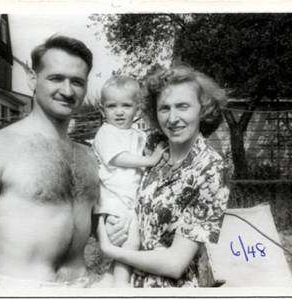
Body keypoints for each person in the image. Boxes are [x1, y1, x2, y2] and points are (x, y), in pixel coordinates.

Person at [0, 35, 99, 289]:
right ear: (32, 79)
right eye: (56, 78)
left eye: (77, 82)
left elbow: (95, 227)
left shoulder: (88, 156)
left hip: (82, 285)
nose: (68, 90)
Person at [97, 65, 230, 287]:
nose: (173, 118)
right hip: (128, 280)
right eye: (164, 108)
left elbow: (175, 263)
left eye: (183, 106)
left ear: (202, 109)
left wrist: (109, 250)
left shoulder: (211, 169)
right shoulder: (152, 145)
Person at [92, 76, 165, 286]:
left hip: (130, 200)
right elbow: (118, 157)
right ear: (102, 110)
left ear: (138, 110)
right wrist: (149, 160)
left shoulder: (138, 134)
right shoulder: (105, 133)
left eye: (126, 105)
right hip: (114, 200)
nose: (119, 111)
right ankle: (121, 286)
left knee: (129, 245)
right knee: (131, 243)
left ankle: (108, 282)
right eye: (112, 106)